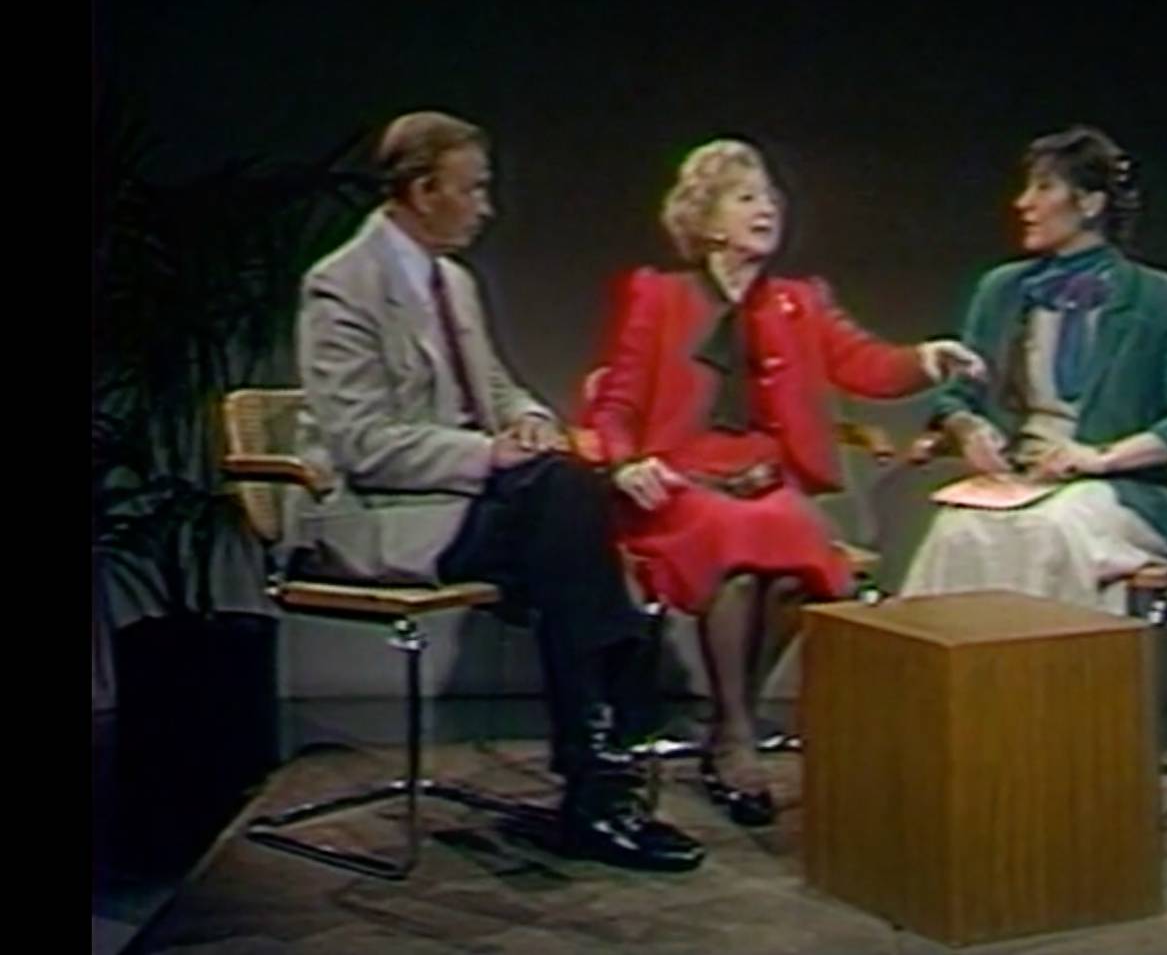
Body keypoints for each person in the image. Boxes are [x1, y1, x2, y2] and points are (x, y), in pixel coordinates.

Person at [282, 110, 703, 871]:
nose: (487, 206)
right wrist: (493, 454)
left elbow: (500, 387)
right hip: (383, 514)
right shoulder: (341, 287)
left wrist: (532, 422)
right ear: (422, 190)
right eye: (473, 189)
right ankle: (605, 770)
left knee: (565, 500)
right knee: (570, 505)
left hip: (485, 510)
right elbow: (363, 443)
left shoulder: (454, 282)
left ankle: (596, 782)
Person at [583, 137, 985, 825]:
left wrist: (927, 358)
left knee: (805, 568)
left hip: (764, 482)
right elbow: (615, 401)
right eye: (746, 197)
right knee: (737, 556)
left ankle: (726, 717)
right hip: (682, 489)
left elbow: (865, 365)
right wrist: (624, 462)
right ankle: (737, 735)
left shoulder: (802, 300)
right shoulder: (659, 296)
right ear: (708, 220)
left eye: (770, 196)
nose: (766, 208)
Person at [901, 124, 1167, 614]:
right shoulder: (1002, 291)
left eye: (1044, 187)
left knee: (1049, 529)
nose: (1023, 203)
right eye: (1026, 187)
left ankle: (1051, 685)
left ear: (1091, 204)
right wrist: (968, 427)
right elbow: (956, 394)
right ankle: (960, 685)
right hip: (1025, 477)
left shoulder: (1158, 299)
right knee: (957, 530)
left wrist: (1100, 458)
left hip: (1124, 488)